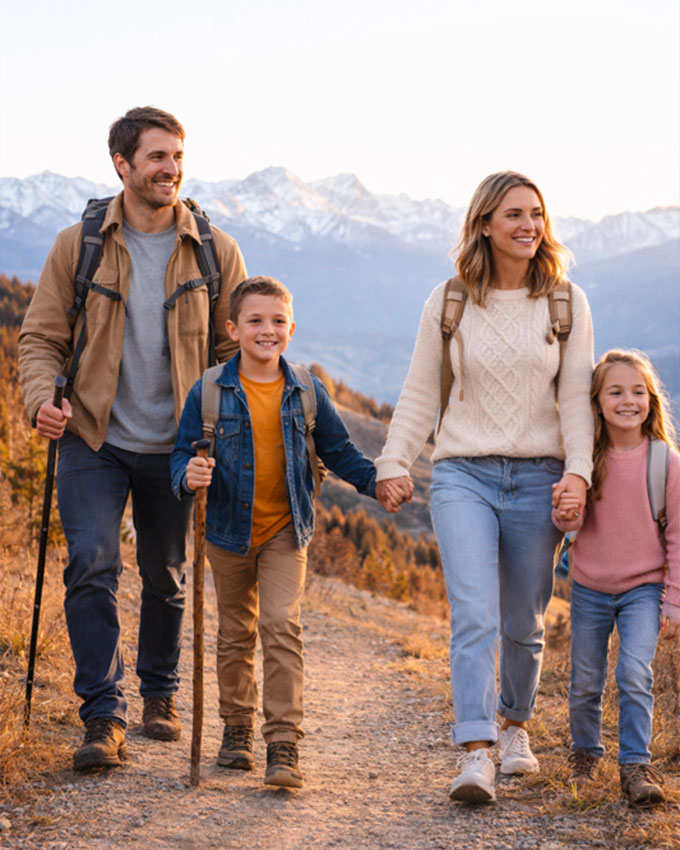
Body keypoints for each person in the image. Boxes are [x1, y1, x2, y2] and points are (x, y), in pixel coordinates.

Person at [18, 107, 247, 771]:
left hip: (178, 443)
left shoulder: (213, 249)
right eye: (157, 158)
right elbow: (39, 338)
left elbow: (242, 343)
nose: (171, 169)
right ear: (122, 164)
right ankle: (103, 715)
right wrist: (41, 401)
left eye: (177, 156)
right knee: (92, 561)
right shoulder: (79, 244)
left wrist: (225, 424)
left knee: (166, 574)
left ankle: (160, 692)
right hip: (93, 434)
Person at [375, 171, 594, 803]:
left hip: (540, 476)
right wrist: (395, 461)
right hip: (463, 473)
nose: (529, 225)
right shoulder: (450, 300)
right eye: (514, 215)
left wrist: (577, 472)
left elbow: (577, 398)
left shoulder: (564, 301)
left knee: (523, 620)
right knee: (473, 613)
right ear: (485, 225)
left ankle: (515, 726)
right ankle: (476, 750)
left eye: (537, 214)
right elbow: (422, 389)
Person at [170, 275, 377, 788]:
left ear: (292, 329)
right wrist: (186, 475)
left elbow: (340, 452)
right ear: (233, 328)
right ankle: (237, 729)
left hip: (286, 529)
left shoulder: (307, 391)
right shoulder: (210, 390)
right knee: (236, 633)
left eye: (278, 321)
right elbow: (181, 454)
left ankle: (283, 743)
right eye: (256, 321)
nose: (268, 330)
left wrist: (378, 483)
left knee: (281, 625)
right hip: (225, 531)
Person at [553, 349, 679, 805]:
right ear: (598, 402)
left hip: (643, 589)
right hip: (588, 588)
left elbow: (678, 539)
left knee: (633, 673)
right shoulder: (584, 458)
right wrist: (566, 512)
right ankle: (585, 757)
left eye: (638, 392)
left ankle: (634, 766)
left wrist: (674, 600)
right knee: (586, 679)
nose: (629, 401)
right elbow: (569, 524)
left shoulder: (665, 462)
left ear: (651, 400)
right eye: (616, 392)